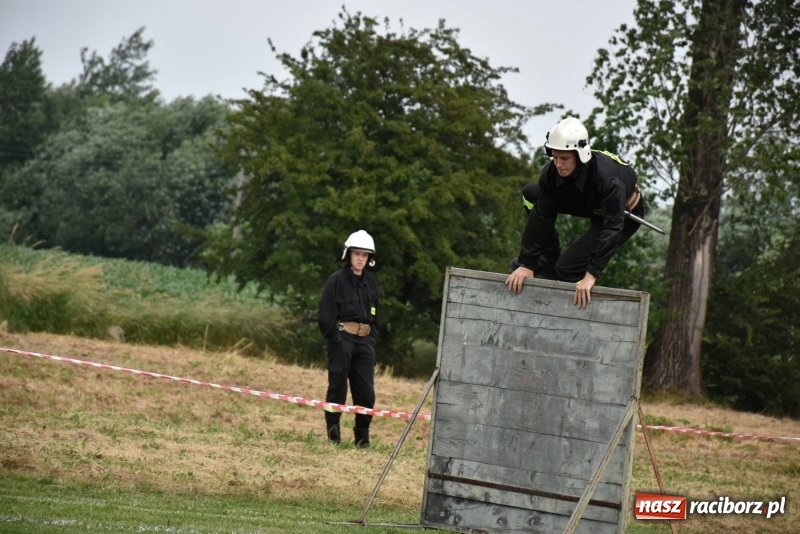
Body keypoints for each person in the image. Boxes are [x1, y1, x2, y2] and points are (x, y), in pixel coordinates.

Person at [505, 116, 645, 309]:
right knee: (531, 194)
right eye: (555, 157)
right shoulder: (551, 173)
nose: (558, 164)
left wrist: (591, 275)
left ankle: (572, 283)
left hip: (621, 216)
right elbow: (542, 215)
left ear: (580, 155)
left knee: (565, 270)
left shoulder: (607, 180)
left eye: (564, 159)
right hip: (587, 203)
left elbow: (613, 228)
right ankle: (548, 258)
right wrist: (527, 264)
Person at [317, 230, 380, 448]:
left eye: (365, 255)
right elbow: (324, 316)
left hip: (365, 343)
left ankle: (362, 439)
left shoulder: (371, 283)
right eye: (357, 254)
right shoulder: (336, 280)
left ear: (369, 258)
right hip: (341, 340)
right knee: (337, 388)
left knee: (366, 393)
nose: (360, 258)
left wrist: (371, 338)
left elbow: (376, 316)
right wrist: (337, 340)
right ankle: (333, 436)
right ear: (349, 254)